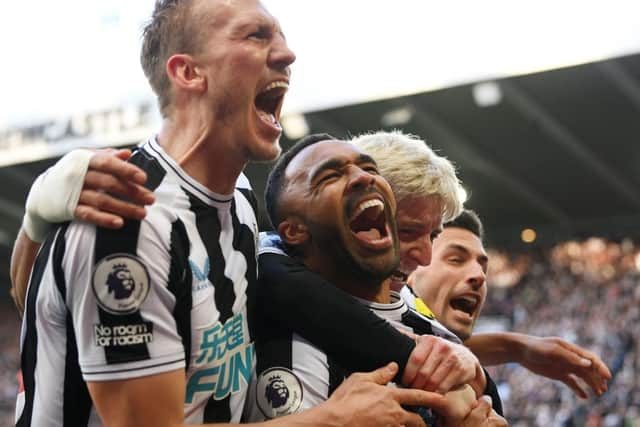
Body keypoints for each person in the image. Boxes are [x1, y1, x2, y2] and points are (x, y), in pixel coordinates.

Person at [13, 1, 455, 426]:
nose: (286, 53)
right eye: (256, 35)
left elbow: (48, 307)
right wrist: (332, 420)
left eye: (279, 37)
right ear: (188, 72)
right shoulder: (128, 219)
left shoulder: (239, 200)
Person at [245, 134, 496, 425]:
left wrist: (485, 366)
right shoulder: (297, 341)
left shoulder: (410, 304)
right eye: (408, 231)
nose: (425, 256)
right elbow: (271, 266)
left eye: (433, 235)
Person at [409, 209, 610, 399]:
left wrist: (516, 348)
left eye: (483, 267)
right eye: (456, 259)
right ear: (408, 271)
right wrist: (513, 348)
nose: (480, 275)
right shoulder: (381, 373)